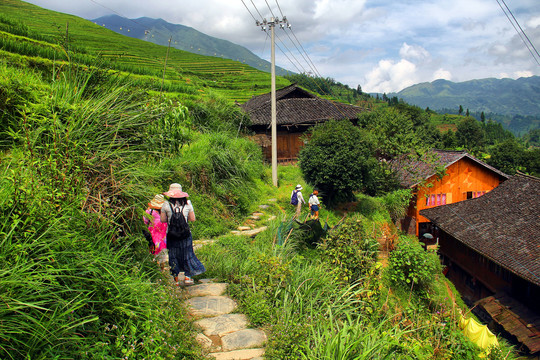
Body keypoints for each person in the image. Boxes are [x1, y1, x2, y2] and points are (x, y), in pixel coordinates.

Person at [160, 183, 205, 286]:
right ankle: (187, 277)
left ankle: (175, 279)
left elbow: (163, 220)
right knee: (187, 254)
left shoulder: (166, 204)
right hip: (185, 234)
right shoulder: (188, 203)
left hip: (171, 235)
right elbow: (192, 219)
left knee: (173, 255)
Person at [143, 194, 168, 270]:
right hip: (163, 238)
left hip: (152, 237)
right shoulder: (166, 212)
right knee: (162, 258)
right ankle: (161, 273)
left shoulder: (149, 212)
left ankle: (155, 273)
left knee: (153, 256)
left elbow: (145, 222)